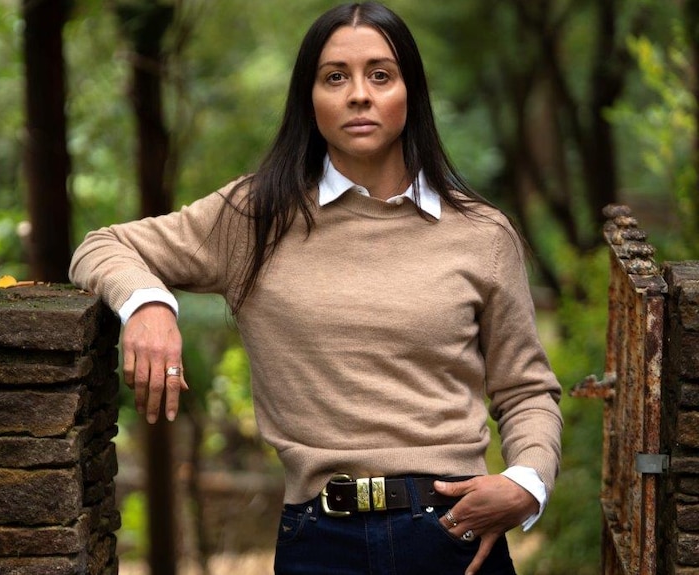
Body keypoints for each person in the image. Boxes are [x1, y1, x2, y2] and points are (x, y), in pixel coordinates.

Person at [69, 2, 563, 574]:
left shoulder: (479, 232)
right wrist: (148, 305)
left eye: (381, 75)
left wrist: (527, 481)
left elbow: (526, 389)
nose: (359, 94)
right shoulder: (256, 216)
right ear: (311, 98)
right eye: (336, 77)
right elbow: (102, 245)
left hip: (454, 532)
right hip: (320, 540)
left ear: (411, 93)